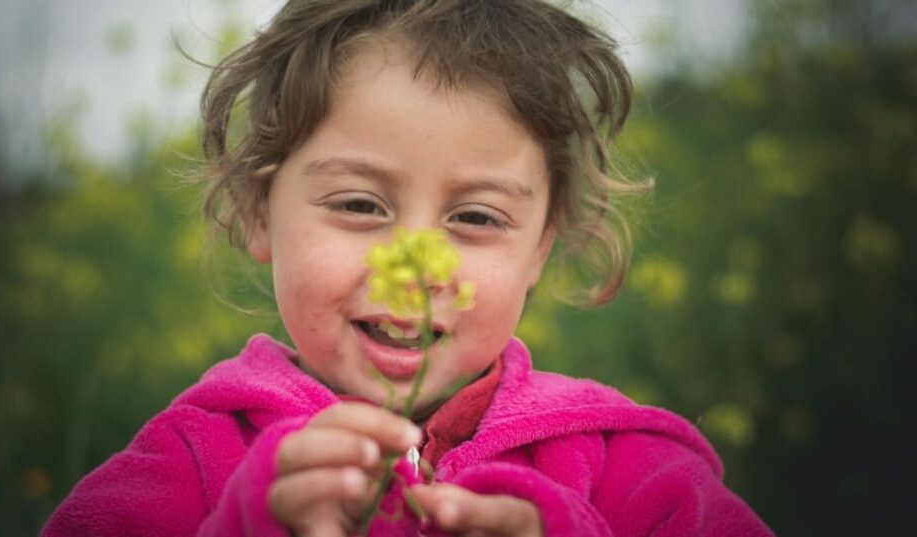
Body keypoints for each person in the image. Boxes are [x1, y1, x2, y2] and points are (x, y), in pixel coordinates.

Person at [42, 0, 773, 535]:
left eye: (478, 217)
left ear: (540, 247)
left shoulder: (625, 461)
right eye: (359, 205)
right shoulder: (196, 456)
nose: (415, 265)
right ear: (259, 211)